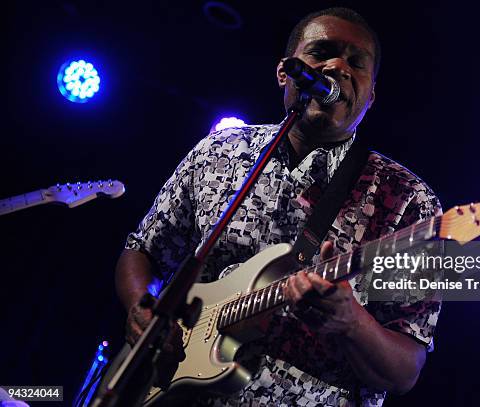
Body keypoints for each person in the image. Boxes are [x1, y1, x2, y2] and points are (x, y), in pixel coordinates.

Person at [115, 7, 442, 406]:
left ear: (370, 95)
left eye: (357, 63)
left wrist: (352, 323)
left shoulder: (408, 200)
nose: (337, 66)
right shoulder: (221, 151)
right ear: (285, 72)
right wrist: (141, 309)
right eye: (321, 53)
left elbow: (405, 369)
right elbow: (143, 250)